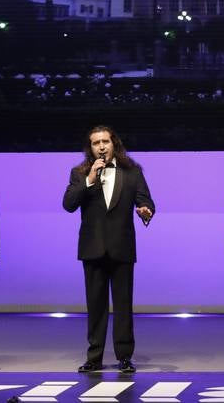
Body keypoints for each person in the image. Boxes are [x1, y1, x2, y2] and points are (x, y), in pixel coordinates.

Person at [62, 125, 154, 374]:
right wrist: (90, 179)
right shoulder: (80, 173)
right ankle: (94, 357)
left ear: (114, 143)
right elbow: (68, 204)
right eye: (95, 143)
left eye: (105, 141)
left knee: (123, 305)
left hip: (122, 247)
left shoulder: (132, 172)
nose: (101, 146)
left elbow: (146, 201)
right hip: (92, 248)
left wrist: (146, 211)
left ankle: (125, 356)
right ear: (89, 148)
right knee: (96, 305)